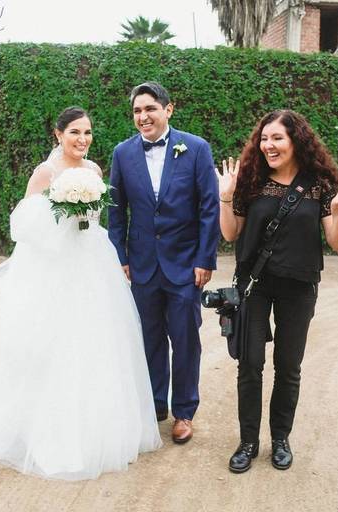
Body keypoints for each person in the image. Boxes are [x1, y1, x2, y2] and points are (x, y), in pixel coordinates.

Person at [0, 107, 162, 481]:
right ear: (58, 134)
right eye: (75, 132)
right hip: (54, 268)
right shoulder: (46, 172)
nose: (82, 139)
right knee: (53, 344)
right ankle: (45, 432)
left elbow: (97, 219)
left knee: (97, 344)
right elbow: (22, 224)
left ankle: (98, 430)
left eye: (87, 132)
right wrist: (62, 223)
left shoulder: (95, 171)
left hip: (93, 264)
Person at [217, 109, 338, 473]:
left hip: (299, 285)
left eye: (277, 138)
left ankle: (280, 438)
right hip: (254, 284)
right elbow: (230, 234)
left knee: (288, 367)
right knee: (249, 365)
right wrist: (226, 197)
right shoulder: (251, 180)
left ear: (295, 141)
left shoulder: (319, 184)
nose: (268, 145)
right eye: (264, 138)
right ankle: (248, 442)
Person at [108, 82, 220, 444]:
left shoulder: (196, 148)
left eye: (150, 109)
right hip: (142, 265)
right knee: (149, 337)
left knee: (185, 340)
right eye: (137, 111)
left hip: (186, 266)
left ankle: (184, 411)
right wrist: (120, 257)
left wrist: (205, 259)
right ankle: (155, 402)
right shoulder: (122, 153)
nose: (143, 116)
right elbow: (116, 211)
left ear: (168, 110)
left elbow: (209, 208)